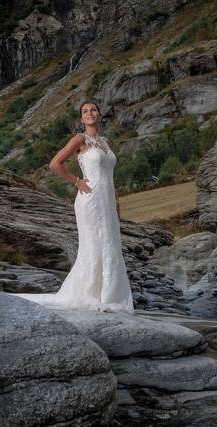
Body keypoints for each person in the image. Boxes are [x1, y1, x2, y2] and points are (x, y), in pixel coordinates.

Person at [15, 101, 134, 312]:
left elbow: (109, 175)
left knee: (110, 243)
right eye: (85, 111)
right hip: (90, 200)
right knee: (95, 244)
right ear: (81, 118)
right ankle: (94, 295)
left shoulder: (105, 142)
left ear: (100, 114)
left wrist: (116, 201)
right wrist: (77, 181)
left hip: (107, 202)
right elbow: (55, 163)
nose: (90, 113)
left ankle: (109, 295)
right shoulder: (80, 139)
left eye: (93, 110)